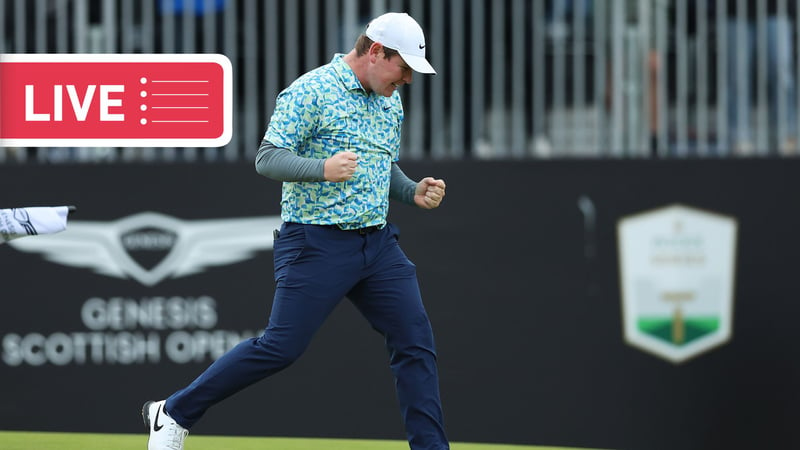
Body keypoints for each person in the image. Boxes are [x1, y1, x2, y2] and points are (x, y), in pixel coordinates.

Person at [142, 12, 450, 450]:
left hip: (378, 245)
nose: (407, 81)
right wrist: (322, 170)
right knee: (280, 348)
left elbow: (382, 165)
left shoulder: (389, 99)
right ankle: (173, 411)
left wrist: (410, 190)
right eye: (404, 68)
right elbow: (267, 158)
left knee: (415, 342)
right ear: (376, 52)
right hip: (315, 243)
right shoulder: (311, 90)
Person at [722, 0, 798, 155]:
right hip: (735, 10)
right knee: (737, 75)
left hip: (776, 8)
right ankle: (740, 137)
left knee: (780, 68)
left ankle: (785, 135)